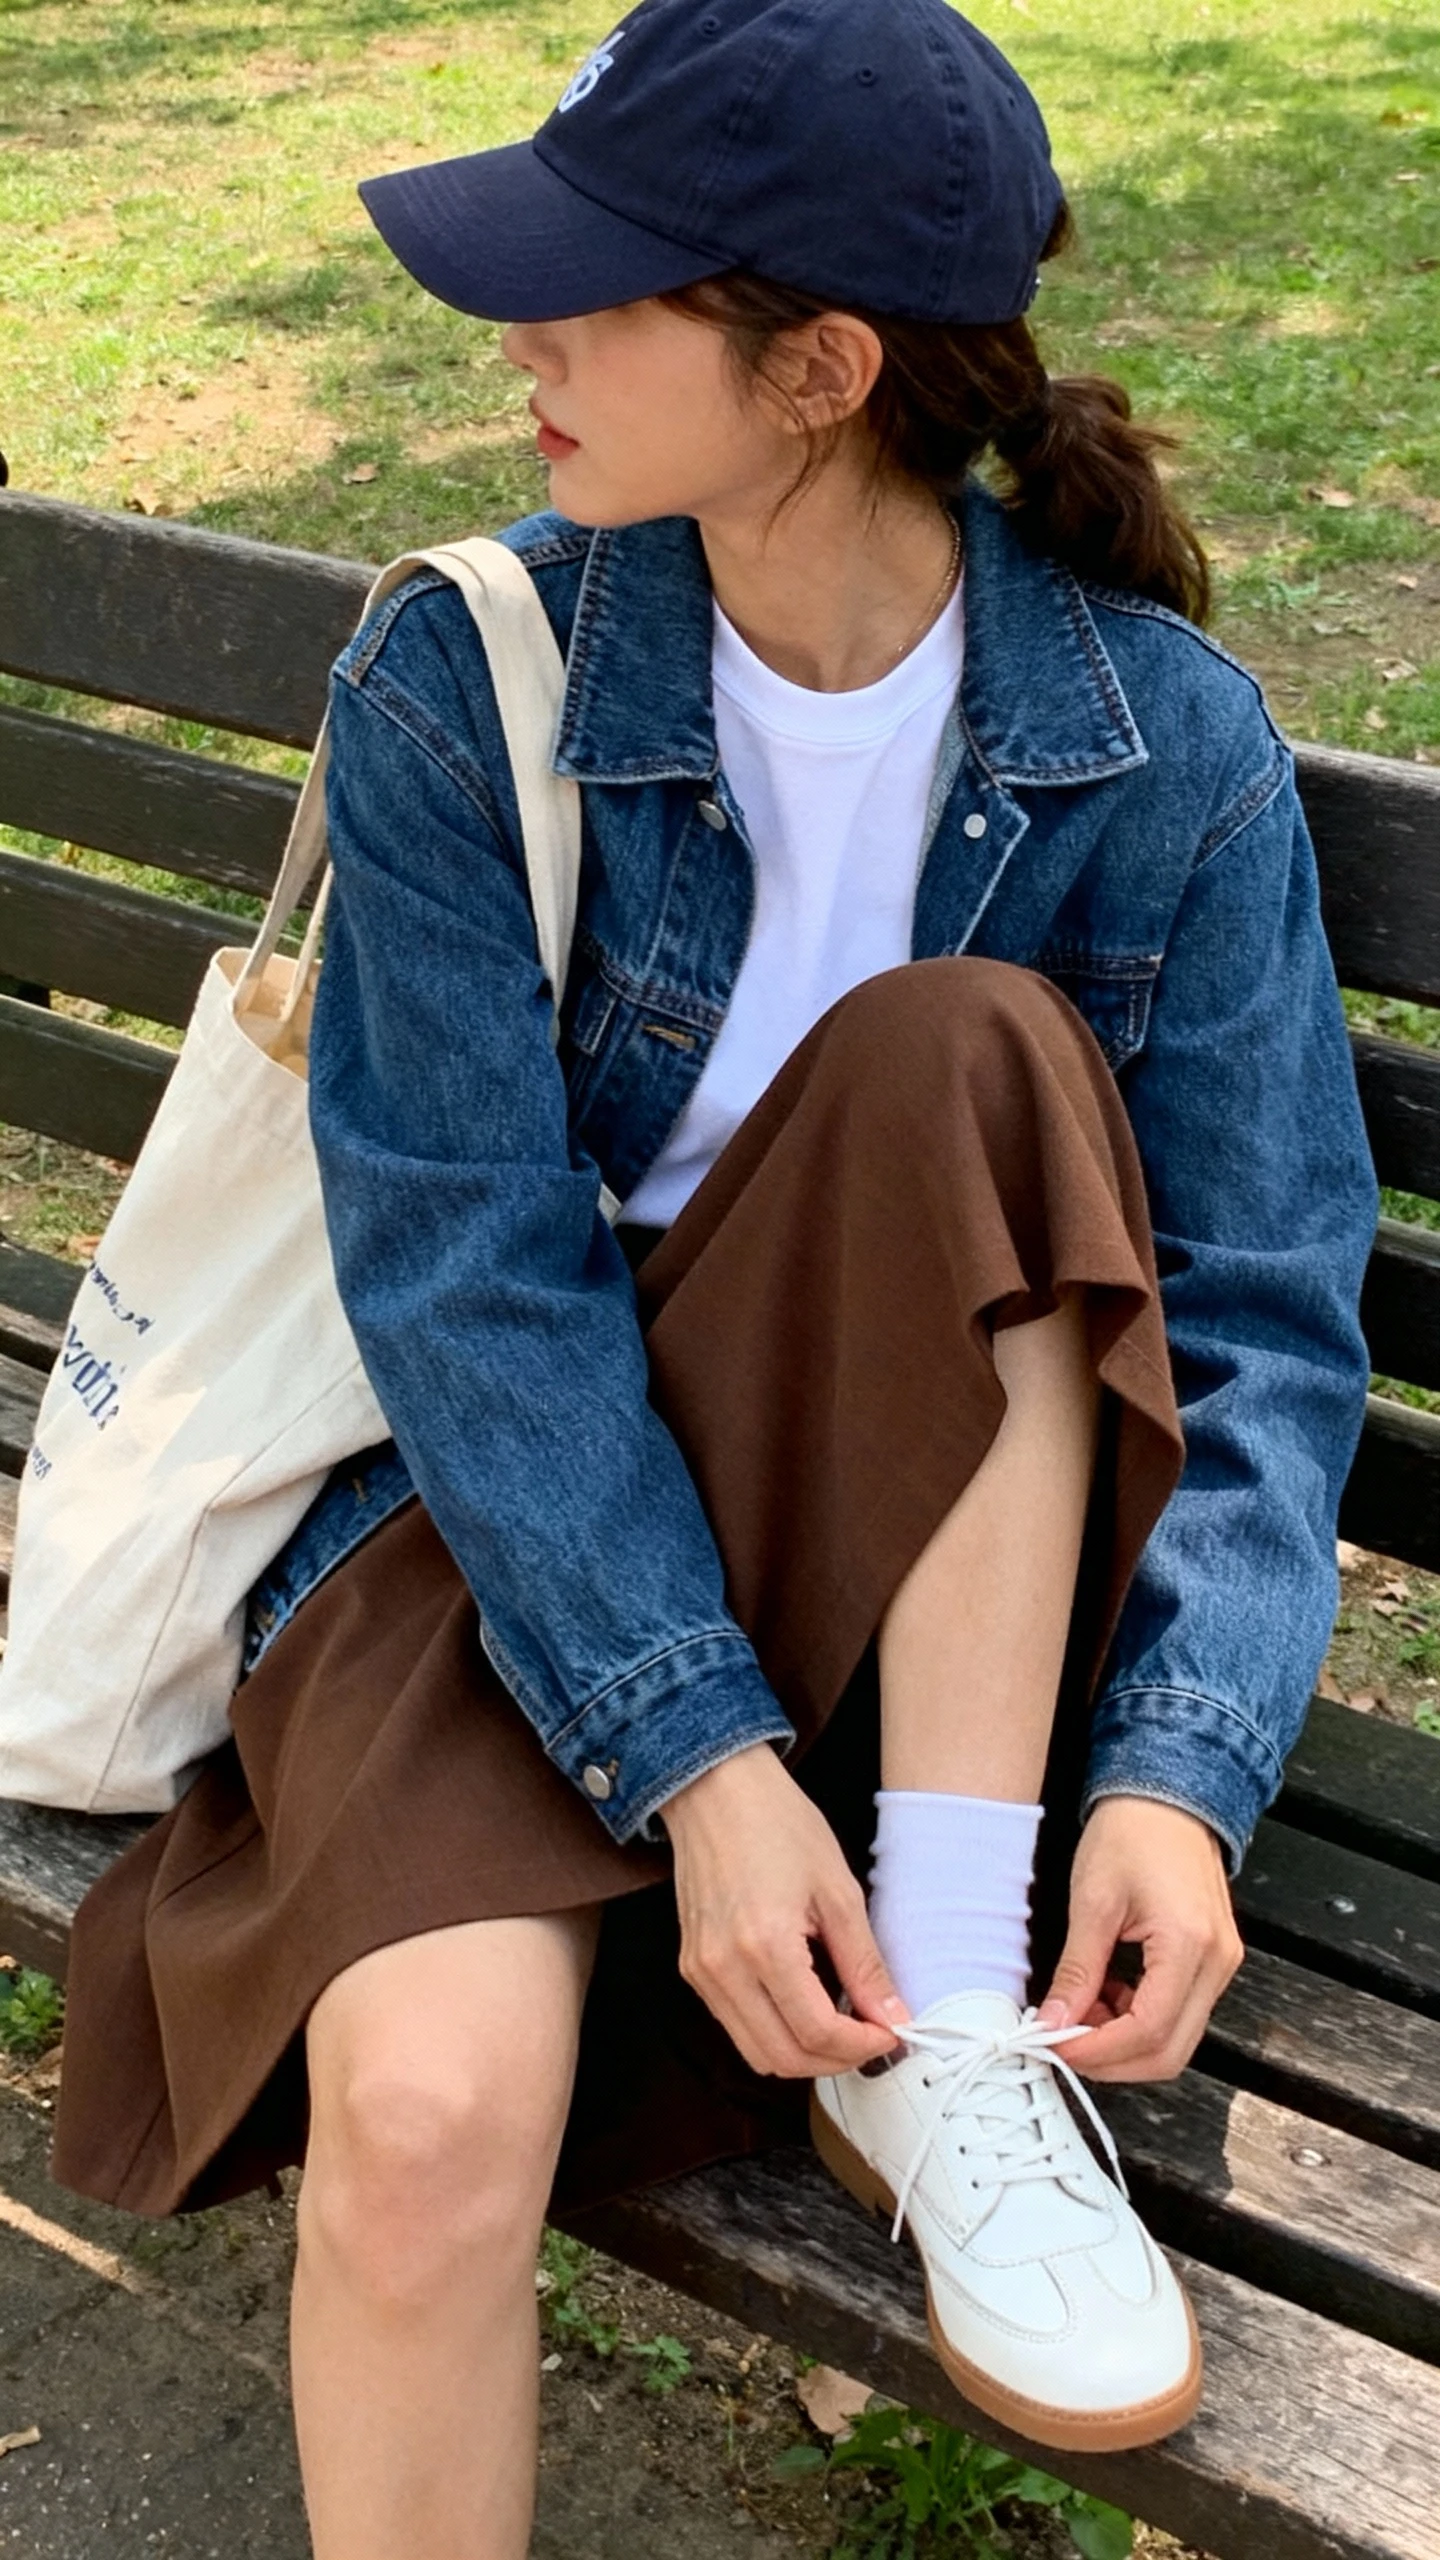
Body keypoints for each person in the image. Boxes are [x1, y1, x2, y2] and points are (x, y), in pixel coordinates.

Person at [50, 0, 1378, 2551]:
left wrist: (1184, 1778)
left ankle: (947, 2014)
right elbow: (471, 1279)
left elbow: (1267, 1316)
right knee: (423, 2121)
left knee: (962, 1053)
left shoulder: (1158, 747)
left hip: (939, 1591)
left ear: (820, 371)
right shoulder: (466, 677)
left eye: (596, 293)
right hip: (513, 1521)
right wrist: (706, 1762)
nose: (516, 347)